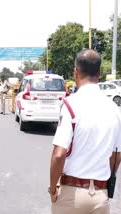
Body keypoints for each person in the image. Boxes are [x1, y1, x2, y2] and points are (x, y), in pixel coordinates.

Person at [49, 49, 121, 214]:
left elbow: (59, 154)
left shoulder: (70, 105)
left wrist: (53, 190)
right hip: (100, 196)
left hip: (71, 195)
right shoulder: (114, 109)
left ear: (76, 72)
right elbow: (116, 156)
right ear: (100, 73)